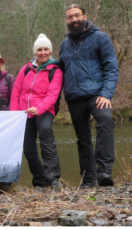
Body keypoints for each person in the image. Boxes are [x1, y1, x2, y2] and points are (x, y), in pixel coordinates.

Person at [58, 4, 119, 188]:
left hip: (97, 95)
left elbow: (111, 67)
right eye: (70, 17)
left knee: (105, 121)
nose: (74, 20)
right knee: (83, 139)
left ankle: (104, 171)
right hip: (74, 98)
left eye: (77, 15)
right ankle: (88, 178)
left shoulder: (100, 38)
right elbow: (59, 73)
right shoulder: (64, 45)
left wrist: (106, 94)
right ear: (67, 20)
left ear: (85, 16)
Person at [10, 34, 63, 188]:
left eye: (46, 49)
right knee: (28, 146)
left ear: (50, 51)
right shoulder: (26, 69)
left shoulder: (56, 71)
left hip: (44, 110)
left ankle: (53, 177)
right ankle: (40, 179)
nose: (43, 52)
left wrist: (38, 109)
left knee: (46, 132)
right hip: (24, 112)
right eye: (39, 49)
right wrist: (14, 115)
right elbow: (16, 93)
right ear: (35, 52)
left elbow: (52, 95)